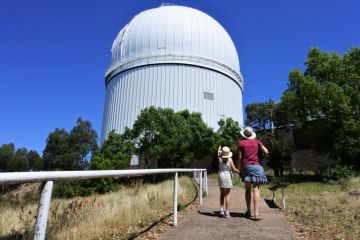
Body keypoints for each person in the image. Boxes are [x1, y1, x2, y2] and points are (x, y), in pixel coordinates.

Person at [237, 127, 269, 221]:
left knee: (247, 189)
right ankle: (256, 214)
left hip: (246, 167)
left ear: (244, 134)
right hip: (256, 166)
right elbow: (266, 151)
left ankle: (248, 211)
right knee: (256, 189)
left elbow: (239, 157)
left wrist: (239, 168)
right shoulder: (257, 142)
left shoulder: (241, 143)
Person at [217, 146, 240, 218]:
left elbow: (218, 153)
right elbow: (234, 169)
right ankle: (227, 212)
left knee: (222, 194)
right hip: (227, 177)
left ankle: (221, 210)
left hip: (221, 176)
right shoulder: (230, 160)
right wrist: (239, 171)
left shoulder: (219, 158)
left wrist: (219, 148)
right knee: (227, 195)